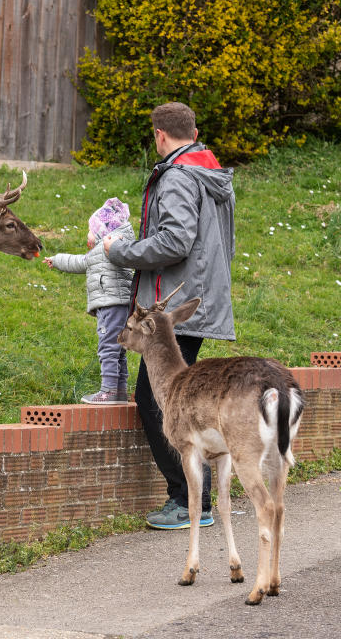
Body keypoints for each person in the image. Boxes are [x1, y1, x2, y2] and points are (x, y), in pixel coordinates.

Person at [103, 101, 236, 530]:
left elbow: (175, 240)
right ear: (193, 132)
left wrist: (118, 251)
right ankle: (197, 500)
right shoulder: (210, 172)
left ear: (160, 135)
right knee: (184, 402)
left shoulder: (179, 176)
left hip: (176, 307)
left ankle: (187, 502)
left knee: (154, 400)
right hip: (201, 297)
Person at [44, 197, 135, 404]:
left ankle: (109, 390)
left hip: (110, 305)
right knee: (118, 348)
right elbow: (79, 261)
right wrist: (57, 260)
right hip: (120, 304)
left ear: (103, 231)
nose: (88, 234)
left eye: (91, 230)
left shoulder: (109, 248)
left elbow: (81, 262)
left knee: (108, 347)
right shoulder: (109, 249)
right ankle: (119, 391)